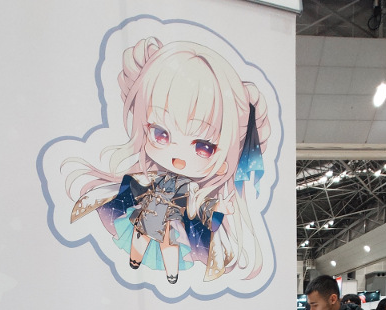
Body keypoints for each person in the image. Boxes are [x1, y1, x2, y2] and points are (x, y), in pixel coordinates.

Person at [64, 37, 270, 284]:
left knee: (169, 245)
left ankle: (171, 274)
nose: (178, 157)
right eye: (161, 133)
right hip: (149, 214)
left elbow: (198, 208)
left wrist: (218, 208)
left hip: (171, 223)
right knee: (140, 235)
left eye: (204, 147)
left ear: (224, 160)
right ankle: (135, 260)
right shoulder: (152, 178)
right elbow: (136, 187)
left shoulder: (190, 189)